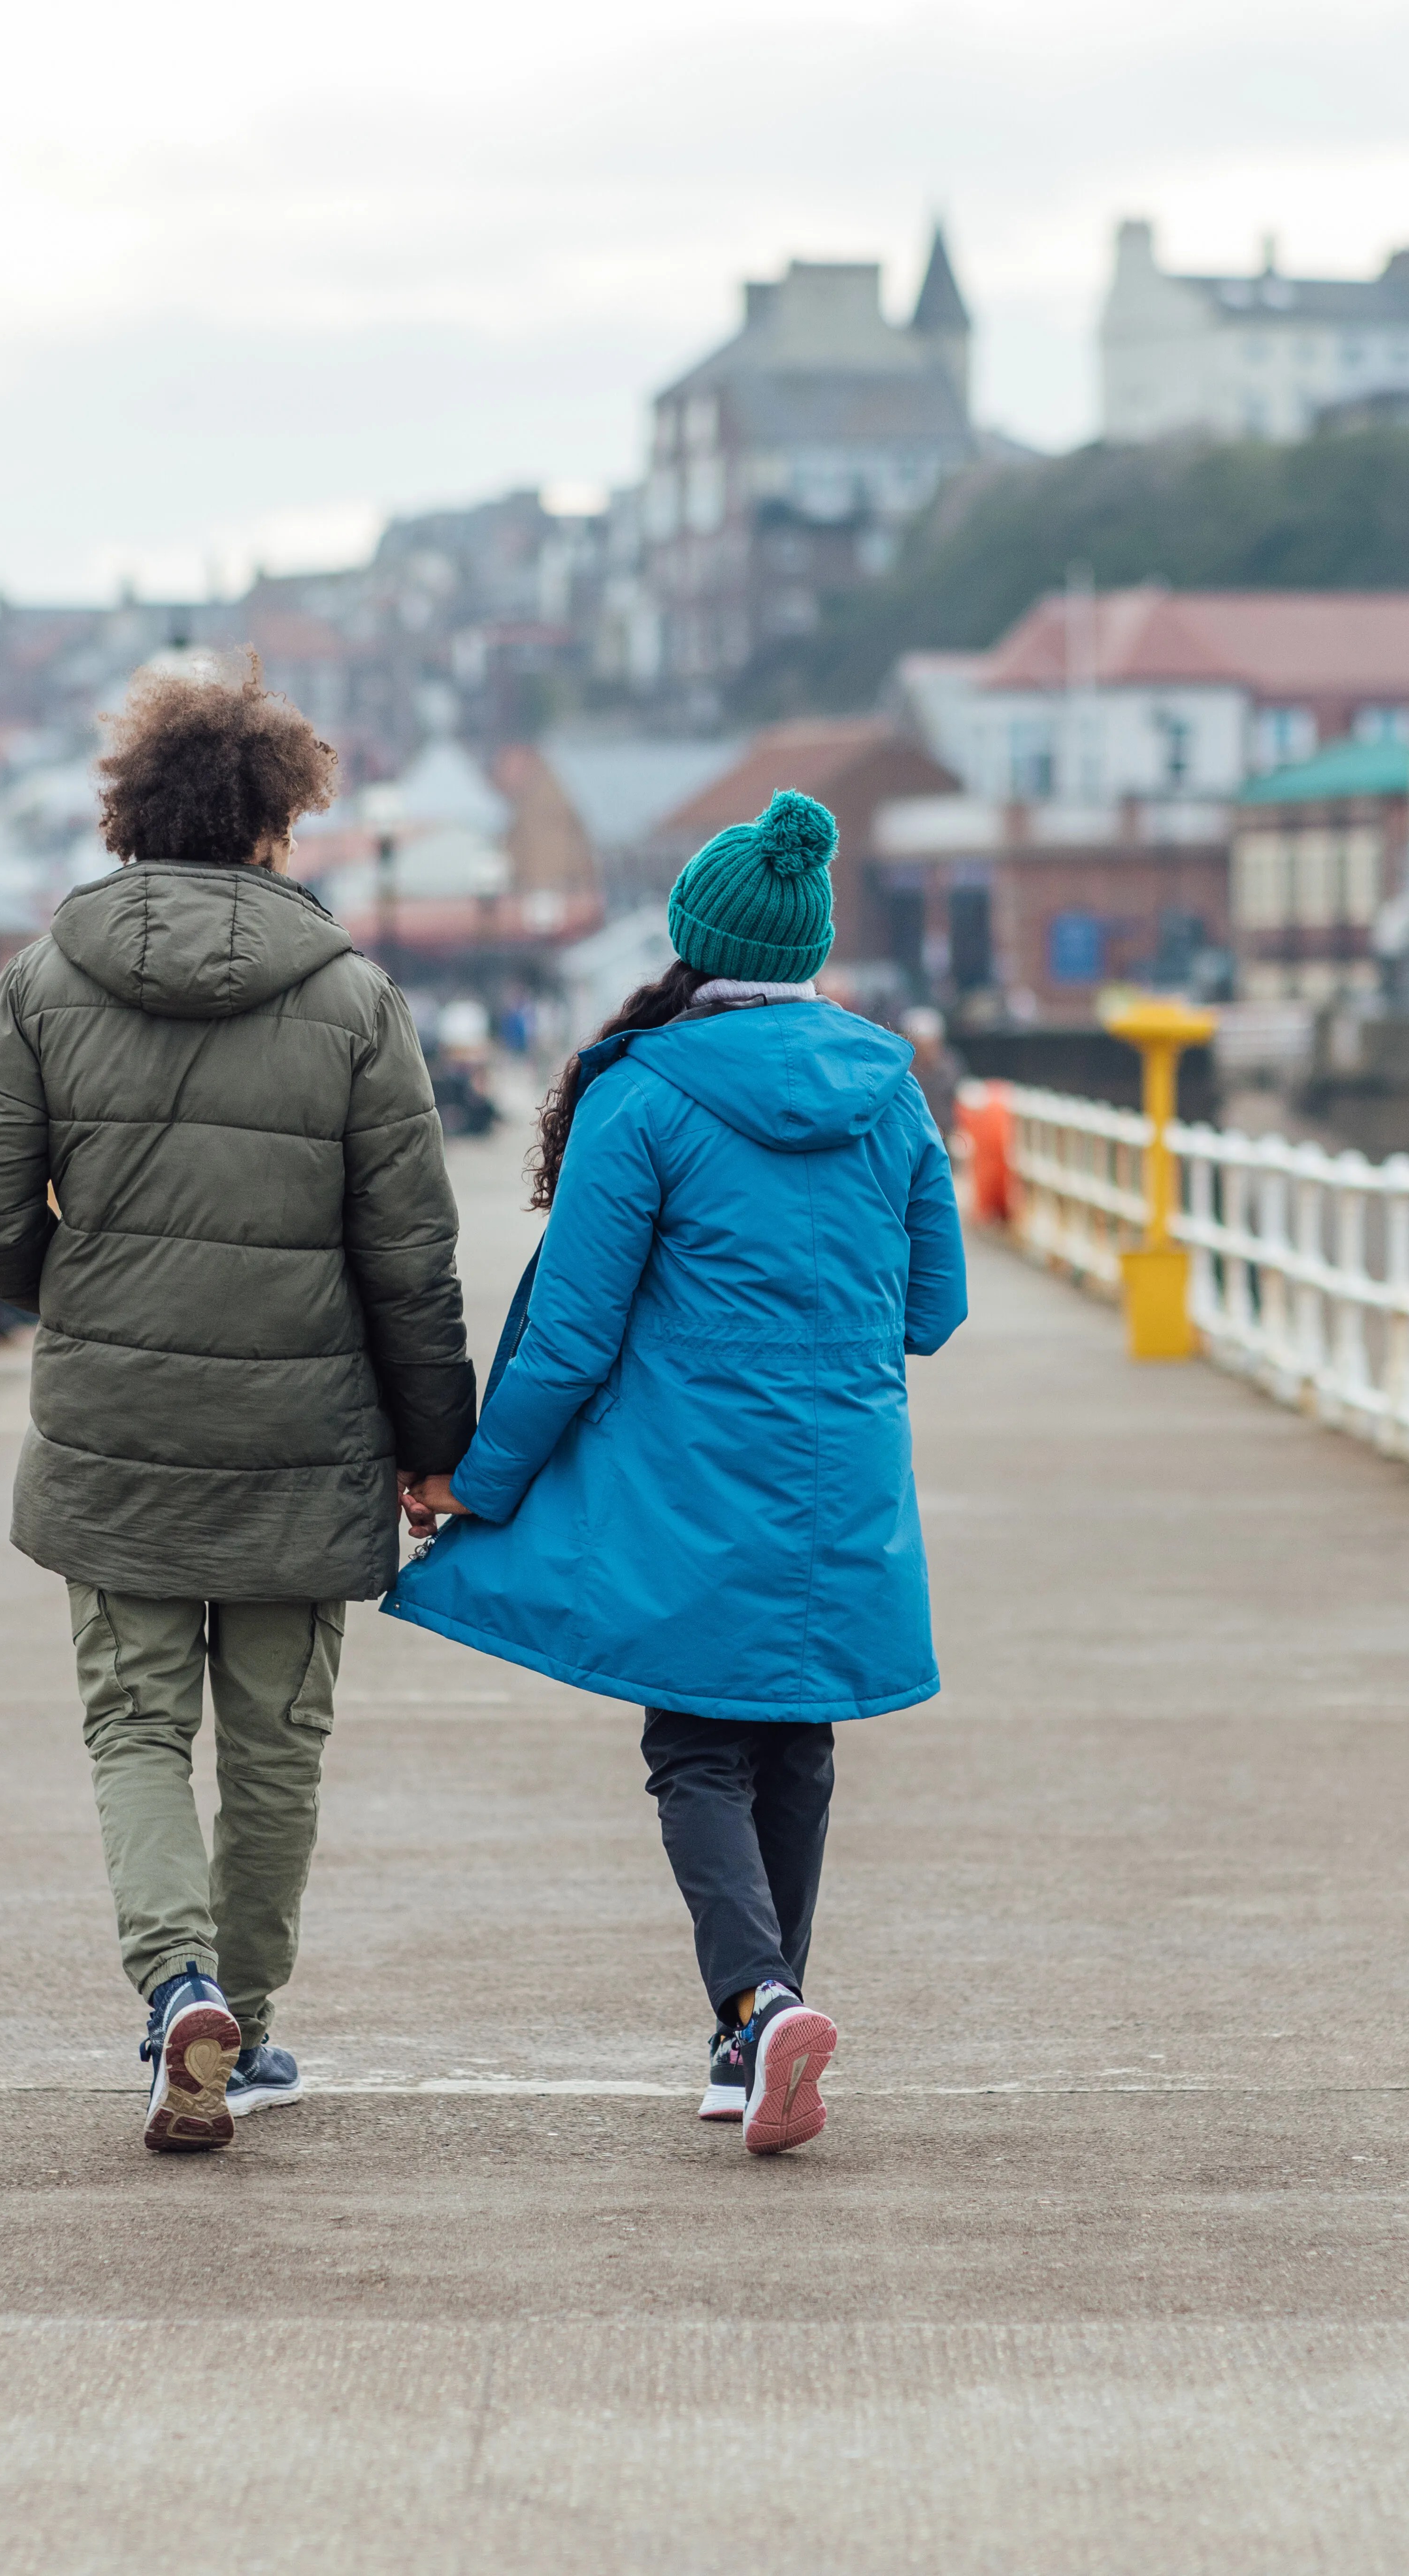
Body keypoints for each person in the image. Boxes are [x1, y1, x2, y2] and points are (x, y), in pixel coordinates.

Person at [0, 655, 474, 2155]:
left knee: (135, 1729)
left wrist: (84, 1286)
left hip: (121, 1430)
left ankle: (176, 1987)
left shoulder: (45, 984)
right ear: (271, 824)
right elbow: (410, 1258)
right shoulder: (358, 1003)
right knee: (277, 1751)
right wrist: (439, 1449)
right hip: (311, 1439)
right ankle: (251, 2018)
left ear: (131, 815)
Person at [386, 789, 966, 2155]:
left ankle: (758, 2004)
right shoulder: (890, 1089)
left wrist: (483, 1479)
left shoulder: (641, 1094)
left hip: (694, 1477)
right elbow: (931, 1308)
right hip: (843, 1472)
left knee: (697, 1743)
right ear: (816, 947)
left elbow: (574, 1332)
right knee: (797, 1740)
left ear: (693, 942)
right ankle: (752, 2036)